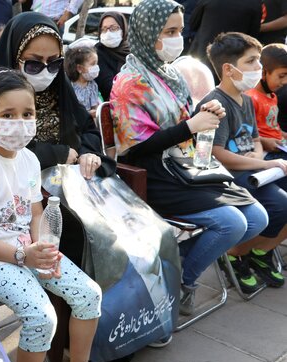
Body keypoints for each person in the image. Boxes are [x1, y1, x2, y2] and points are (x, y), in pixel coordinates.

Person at [0, 68, 123, 362]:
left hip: (24, 249)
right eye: (8, 115)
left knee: (88, 293)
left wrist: (41, 246)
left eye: (27, 114)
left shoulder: (30, 159)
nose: (20, 122)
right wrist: (23, 256)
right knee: (41, 316)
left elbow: (33, 212)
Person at [110, 0, 268, 314]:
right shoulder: (130, 84)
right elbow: (135, 148)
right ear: (148, 31)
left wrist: (206, 114)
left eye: (180, 30)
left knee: (257, 218)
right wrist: (189, 126)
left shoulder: (171, 74)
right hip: (155, 175)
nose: (177, 38)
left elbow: (185, 128)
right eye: (169, 31)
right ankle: (182, 280)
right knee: (231, 224)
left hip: (188, 166)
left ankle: (177, 267)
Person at [0, 12, 116, 268]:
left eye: (54, 63)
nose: (46, 72)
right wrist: (57, 153)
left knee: (116, 224)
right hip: (17, 201)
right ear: (15, 57)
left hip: (69, 187)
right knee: (81, 232)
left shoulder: (60, 89)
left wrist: (88, 153)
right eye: (35, 64)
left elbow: (87, 128)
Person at [200, 32, 287, 290]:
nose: (258, 68)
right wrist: (263, 164)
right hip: (230, 177)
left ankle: (260, 251)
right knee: (281, 206)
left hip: (255, 170)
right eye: (251, 62)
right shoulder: (213, 104)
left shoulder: (247, 99)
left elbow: (256, 139)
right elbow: (214, 154)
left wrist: (259, 156)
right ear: (229, 69)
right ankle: (235, 255)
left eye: (259, 61)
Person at [189, 0, 262, 80]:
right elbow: (252, 38)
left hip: (200, 55)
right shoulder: (254, 3)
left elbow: (193, 24)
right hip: (232, 64)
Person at [246, 43, 287, 160]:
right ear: (263, 73)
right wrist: (264, 141)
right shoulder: (250, 98)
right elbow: (243, 132)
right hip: (264, 152)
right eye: (282, 75)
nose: (285, 81)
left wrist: (284, 135)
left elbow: (272, 126)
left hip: (280, 146)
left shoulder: (272, 95)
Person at [94, 11, 130, 101]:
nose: (108, 33)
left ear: (123, 28)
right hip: (111, 105)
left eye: (113, 28)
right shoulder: (97, 52)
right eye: (104, 29)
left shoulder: (131, 50)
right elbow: (108, 86)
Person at [64, 46, 100, 118]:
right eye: (93, 64)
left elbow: (94, 107)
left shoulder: (93, 85)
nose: (96, 67)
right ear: (79, 68)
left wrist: (95, 111)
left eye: (97, 63)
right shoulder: (69, 86)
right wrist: (86, 114)